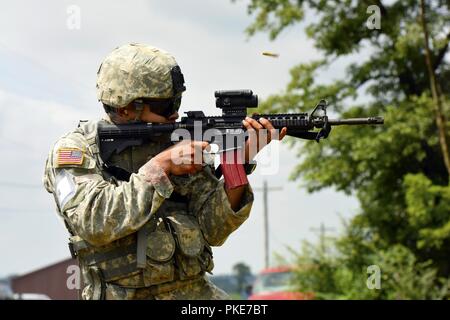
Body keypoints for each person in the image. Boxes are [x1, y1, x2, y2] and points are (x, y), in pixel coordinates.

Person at [43, 43, 286, 300]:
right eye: (165, 106)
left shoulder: (174, 141)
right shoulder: (77, 150)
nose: (175, 113)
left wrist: (240, 158)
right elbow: (96, 221)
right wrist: (161, 167)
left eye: (177, 102)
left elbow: (214, 230)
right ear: (126, 107)